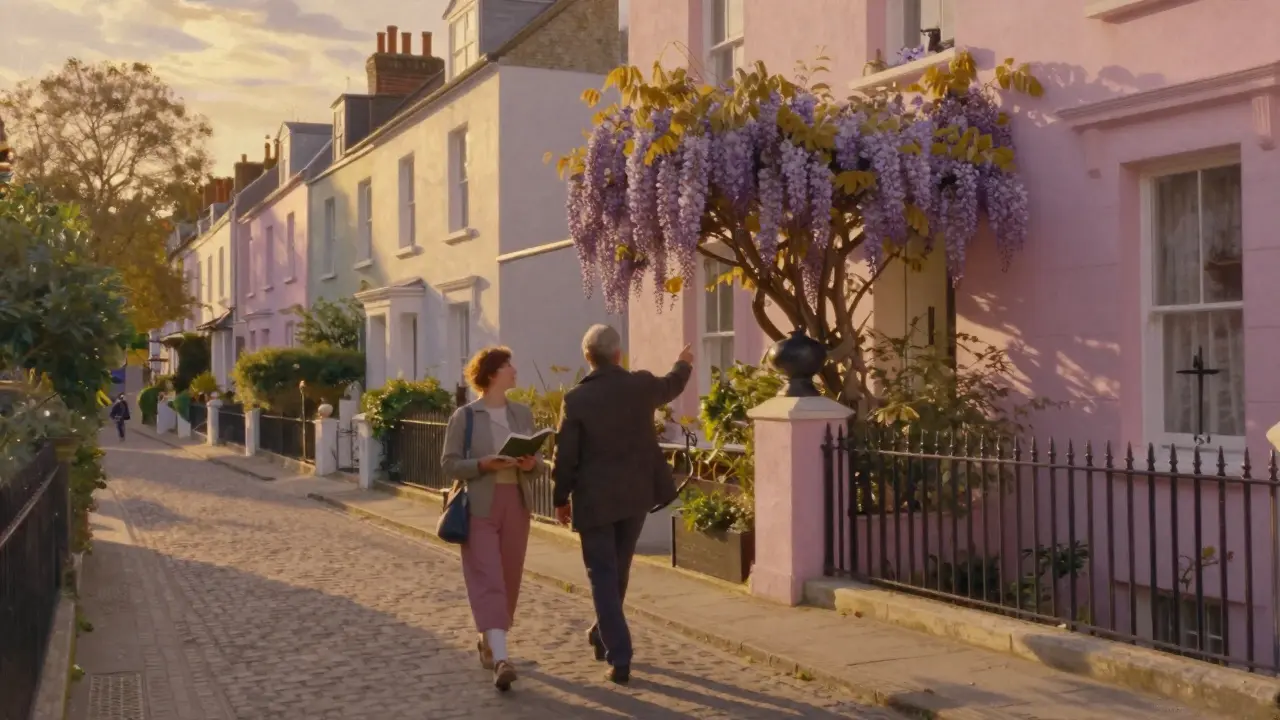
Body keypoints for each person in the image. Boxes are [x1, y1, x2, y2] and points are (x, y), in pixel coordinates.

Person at [552, 324, 693, 684]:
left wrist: (560, 498)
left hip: (595, 499)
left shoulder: (576, 400)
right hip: (635, 494)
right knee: (618, 569)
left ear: (588, 357)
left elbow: (565, 455)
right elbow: (671, 385)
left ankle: (619, 653)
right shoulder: (640, 385)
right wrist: (684, 363)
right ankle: (606, 636)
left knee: (604, 575)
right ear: (618, 355)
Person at [441, 346, 545, 691]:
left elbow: (538, 464)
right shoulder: (466, 417)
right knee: (489, 578)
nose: (514, 370)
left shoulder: (522, 414)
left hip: (515, 503)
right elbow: (449, 464)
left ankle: (489, 641)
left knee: (510, 577)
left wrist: (532, 465)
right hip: (479, 505)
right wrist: (483, 464)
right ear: (491, 374)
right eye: (507, 365)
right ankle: (502, 658)